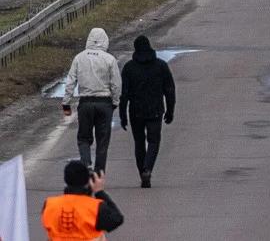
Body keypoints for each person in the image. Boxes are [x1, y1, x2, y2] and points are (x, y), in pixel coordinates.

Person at [118, 35, 176, 188]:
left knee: (139, 142)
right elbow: (170, 90)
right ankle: (148, 169)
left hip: (136, 111)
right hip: (155, 110)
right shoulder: (161, 66)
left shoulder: (129, 68)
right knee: (154, 141)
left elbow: (123, 94)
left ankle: (142, 171)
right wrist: (170, 110)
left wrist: (122, 115)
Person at [62, 28, 121, 173]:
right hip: (104, 103)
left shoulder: (79, 58)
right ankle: (99, 172)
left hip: (86, 103)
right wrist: (115, 101)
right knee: (103, 140)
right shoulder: (109, 59)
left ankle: (86, 162)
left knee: (83, 137)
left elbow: (70, 81)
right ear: (105, 40)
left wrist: (66, 102)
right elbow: (116, 84)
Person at [42, 161, 124, 240]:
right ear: (87, 181)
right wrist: (99, 192)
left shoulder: (49, 204)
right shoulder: (96, 207)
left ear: (66, 179)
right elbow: (117, 219)